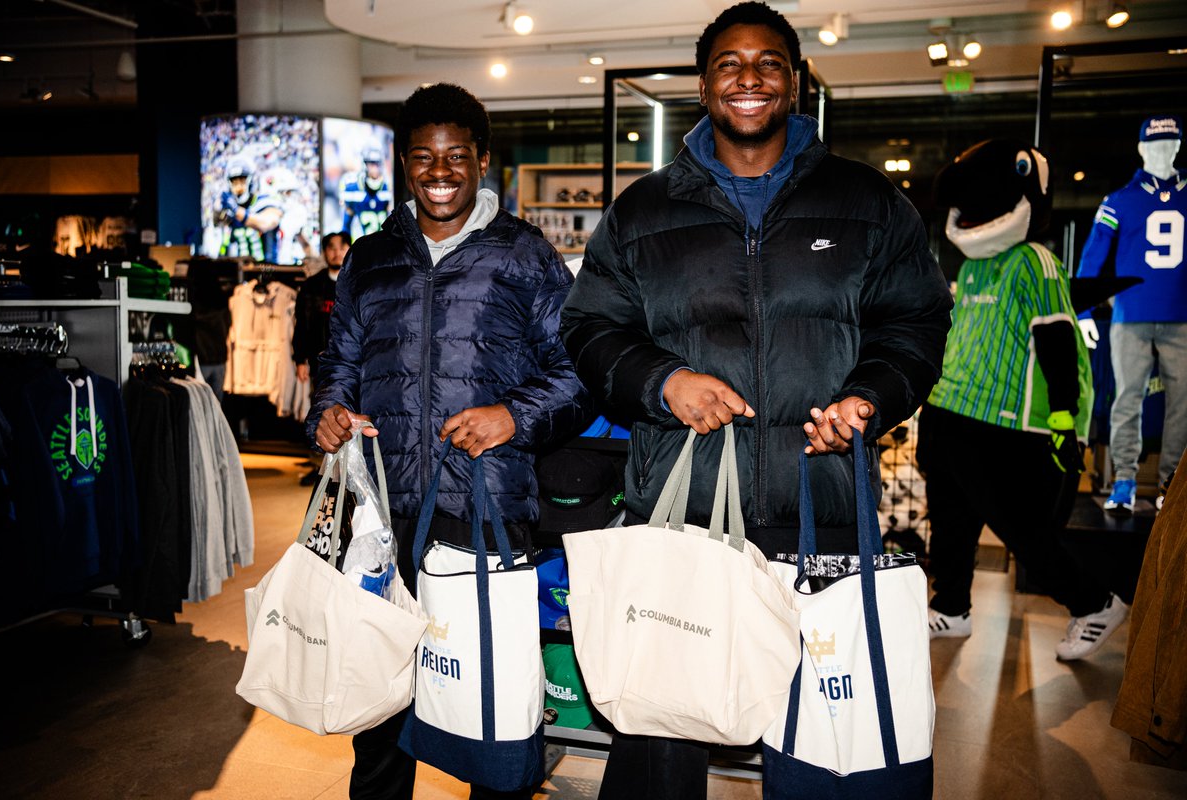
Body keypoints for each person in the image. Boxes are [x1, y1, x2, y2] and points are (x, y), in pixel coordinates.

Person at [558, 3, 952, 798]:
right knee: (660, 745)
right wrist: (662, 383)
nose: (749, 79)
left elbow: (915, 321)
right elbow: (590, 328)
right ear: (703, 87)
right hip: (684, 515)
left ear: (796, 83)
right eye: (730, 65)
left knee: (825, 749)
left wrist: (869, 399)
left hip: (823, 509)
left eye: (769, 63)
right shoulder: (644, 210)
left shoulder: (869, 203)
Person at [306, 82, 592, 800]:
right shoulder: (370, 258)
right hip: (382, 512)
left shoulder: (524, 255)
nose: (441, 171)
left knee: (489, 703)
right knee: (380, 706)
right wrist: (330, 411)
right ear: (405, 164)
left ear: (483, 160)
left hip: (486, 507)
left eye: (456, 156)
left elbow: (581, 374)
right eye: (425, 157)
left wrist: (511, 417)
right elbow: (338, 362)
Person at [921, 139, 1128, 661]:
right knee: (949, 520)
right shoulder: (971, 270)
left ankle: (1096, 602)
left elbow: (1057, 338)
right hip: (950, 412)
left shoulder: (1035, 262)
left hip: (1008, 425)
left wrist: (1064, 416)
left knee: (1024, 531)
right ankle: (952, 607)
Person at [1076, 115, 1186, 513]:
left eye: (1169, 144)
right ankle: (1123, 479)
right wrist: (1084, 309)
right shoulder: (1119, 200)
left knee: (1182, 403)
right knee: (1127, 398)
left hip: (1181, 316)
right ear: (1141, 149)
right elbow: (1093, 254)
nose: (1161, 151)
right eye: (1154, 145)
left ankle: (1170, 486)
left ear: (1178, 146)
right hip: (1131, 315)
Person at [292, 231, 350, 388]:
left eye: (342, 247)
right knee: (321, 408)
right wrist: (300, 359)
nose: (337, 253)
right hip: (320, 363)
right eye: (331, 248)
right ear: (324, 252)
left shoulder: (358, 286)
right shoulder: (311, 286)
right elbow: (302, 324)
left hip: (352, 364)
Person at [215, 153, 284, 263]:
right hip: (238, 273)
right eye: (234, 182)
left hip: (266, 272)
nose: (238, 187)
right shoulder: (229, 209)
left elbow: (266, 223)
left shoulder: (264, 202)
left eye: (242, 181)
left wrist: (237, 210)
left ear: (251, 181)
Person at [341, 142, 392, 237]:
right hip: (360, 246)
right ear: (365, 165)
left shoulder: (387, 188)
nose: (375, 169)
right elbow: (346, 228)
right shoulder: (353, 189)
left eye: (378, 164)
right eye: (372, 164)